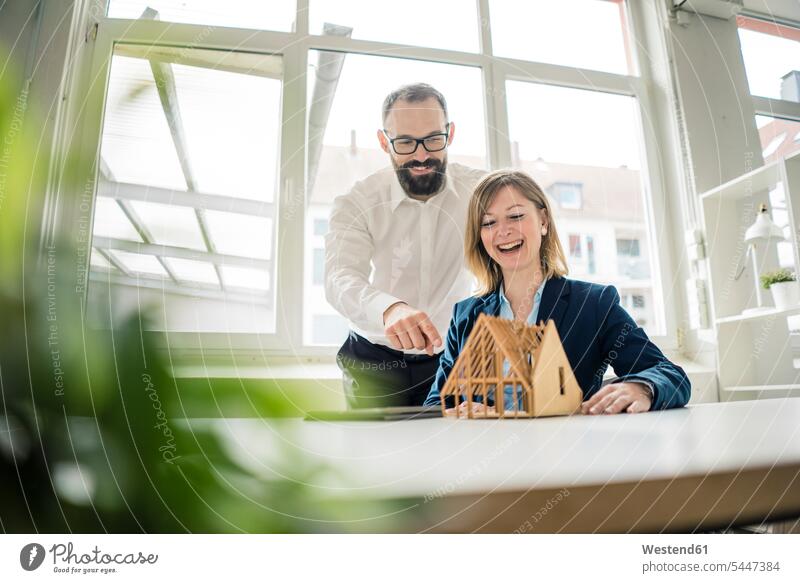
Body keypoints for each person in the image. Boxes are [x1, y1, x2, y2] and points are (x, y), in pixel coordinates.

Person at [424, 170, 691, 414]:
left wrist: (641, 388)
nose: (503, 231)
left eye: (516, 216)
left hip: (568, 455)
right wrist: (457, 411)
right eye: (488, 223)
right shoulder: (466, 315)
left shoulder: (593, 304)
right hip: (492, 459)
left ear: (543, 221)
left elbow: (669, 374)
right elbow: (435, 405)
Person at [325, 83, 486, 408]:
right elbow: (339, 277)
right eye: (405, 142)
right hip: (374, 361)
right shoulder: (357, 202)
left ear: (450, 133)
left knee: (455, 452)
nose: (422, 155)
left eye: (433, 139)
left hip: (453, 359)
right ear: (384, 141)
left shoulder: (480, 192)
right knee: (374, 455)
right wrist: (389, 309)